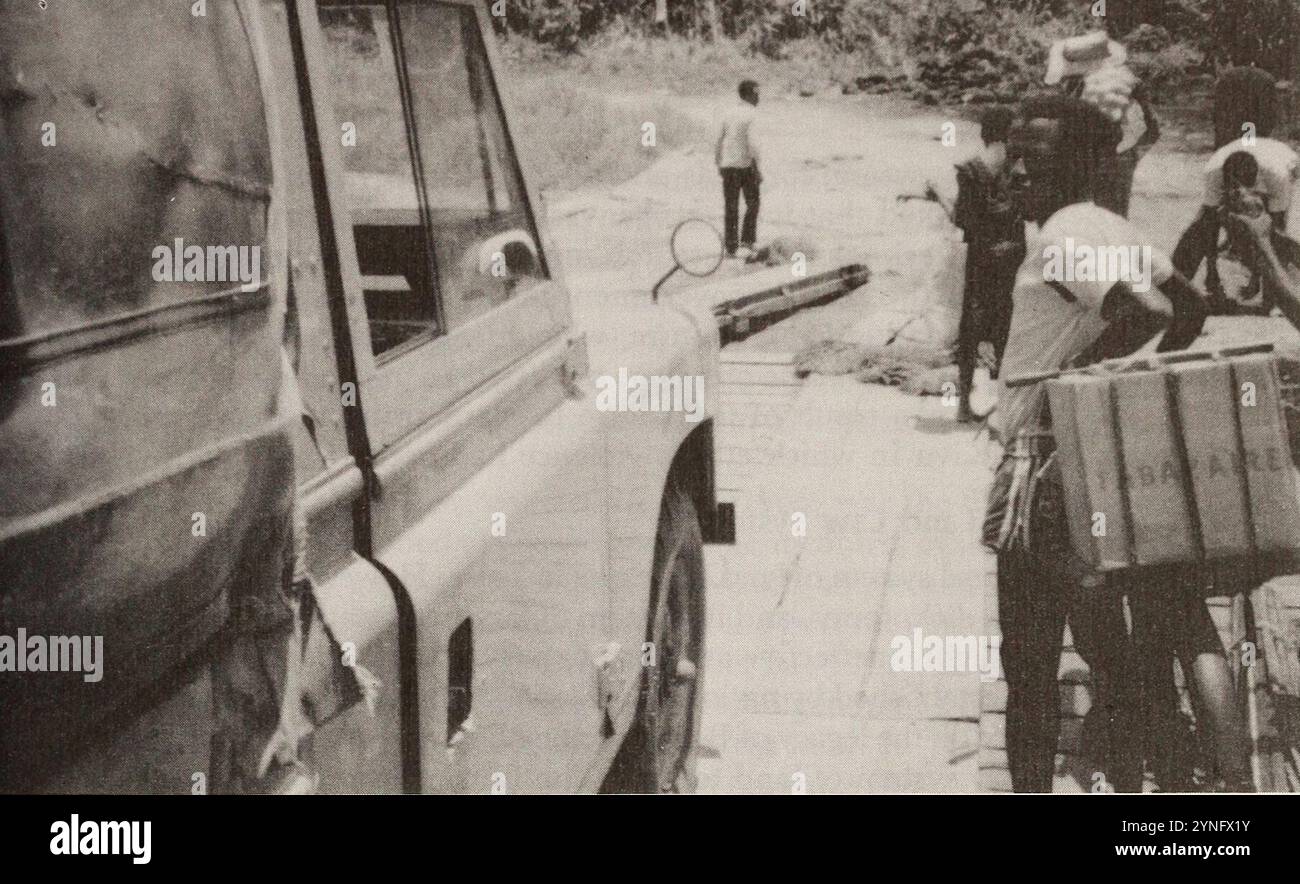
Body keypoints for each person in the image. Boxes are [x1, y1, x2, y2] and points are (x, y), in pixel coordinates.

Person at [985, 93, 1250, 793]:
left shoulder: (1063, 239)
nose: (1014, 171)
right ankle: (1142, 775)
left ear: (1075, 162)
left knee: (1032, 663)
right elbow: (1189, 307)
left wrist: (1072, 389)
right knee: (1114, 650)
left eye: (1032, 160)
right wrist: (1126, 389)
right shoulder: (1110, 224)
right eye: (1013, 156)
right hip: (1102, 463)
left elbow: (1149, 312)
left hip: (1043, 469)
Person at [1172, 67, 1299, 314]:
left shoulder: (1275, 168)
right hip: (1243, 146)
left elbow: (1276, 232)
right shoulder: (1258, 80)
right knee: (1212, 220)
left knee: (1252, 223)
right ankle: (1189, 284)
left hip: (1246, 148)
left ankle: (1247, 277)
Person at [950, 105, 1025, 422]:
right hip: (1009, 261)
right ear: (1009, 135)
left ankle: (964, 405)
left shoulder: (970, 171)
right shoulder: (1018, 172)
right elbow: (1028, 213)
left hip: (981, 260)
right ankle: (1005, 406)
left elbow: (963, 220)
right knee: (1008, 326)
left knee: (972, 326)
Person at [1046, 31, 1160, 218]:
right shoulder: (1127, 82)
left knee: (1093, 219)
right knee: (1112, 217)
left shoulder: (1074, 87)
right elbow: (1152, 127)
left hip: (1092, 160)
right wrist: (1134, 150)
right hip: (1118, 155)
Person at [716, 79, 762, 261]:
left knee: (731, 206)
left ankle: (731, 246)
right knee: (753, 203)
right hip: (745, 165)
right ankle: (748, 240)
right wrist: (757, 167)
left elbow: (719, 139)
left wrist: (718, 162)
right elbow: (753, 144)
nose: (759, 98)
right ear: (750, 95)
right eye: (757, 94)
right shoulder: (753, 114)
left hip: (728, 166)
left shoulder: (728, 113)